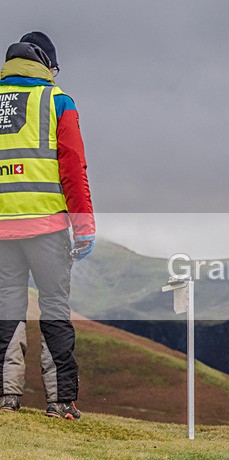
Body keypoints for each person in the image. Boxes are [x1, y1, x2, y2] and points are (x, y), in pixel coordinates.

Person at [0, 32, 95, 420]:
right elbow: (73, 167)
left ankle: (6, 398)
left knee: (7, 309)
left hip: (2, 229)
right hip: (47, 226)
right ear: (46, 65)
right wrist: (84, 225)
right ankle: (60, 402)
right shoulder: (59, 101)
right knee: (54, 308)